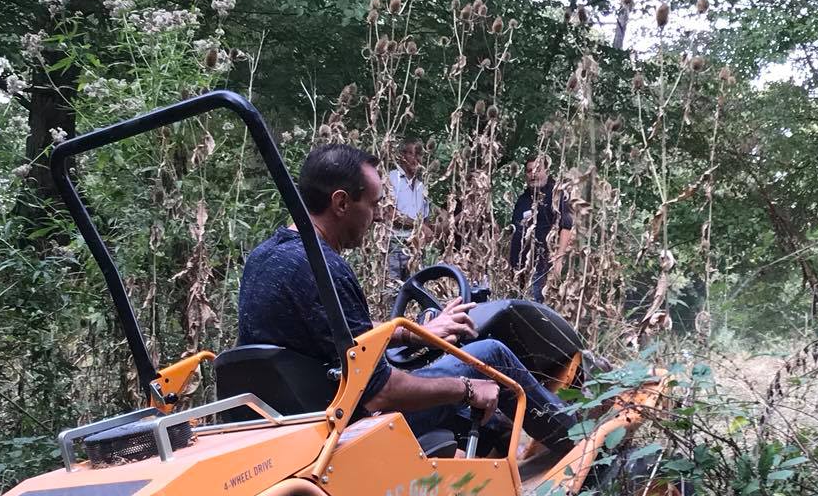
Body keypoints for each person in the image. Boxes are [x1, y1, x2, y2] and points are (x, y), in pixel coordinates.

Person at [238, 142, 578, 455]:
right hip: (353, 429)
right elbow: (381, 391)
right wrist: (467, 388)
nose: (376, 217)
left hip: (298, 420)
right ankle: (583, 449)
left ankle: (501, 453)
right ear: (341, 203)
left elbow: (341, 333)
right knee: (490, 354)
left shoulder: (266, 256)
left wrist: (412, 333)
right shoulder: (325, 269)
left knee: (470, 397)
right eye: (372, 204)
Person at [508, 154, 574, 303]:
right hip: (520, 268)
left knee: (535, 306)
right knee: (520, 306)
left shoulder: (556, 195)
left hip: (542, 265)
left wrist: (558, 260)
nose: (533, 174)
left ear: (547, 172)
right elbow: (514, 231)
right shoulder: (523, 199)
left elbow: (566, 226)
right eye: (529, 171)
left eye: (537, 170)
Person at [385, 138, 430, 299]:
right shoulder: (392, 179)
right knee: (392, 291)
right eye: (412, 153)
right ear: (402, 156)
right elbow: (390, 213)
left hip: (416, 247)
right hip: (395, 244)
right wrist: (418, 225)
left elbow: (426, 221)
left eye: (419, 154)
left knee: (416, 292)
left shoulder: (421, 186)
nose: (416, 159)